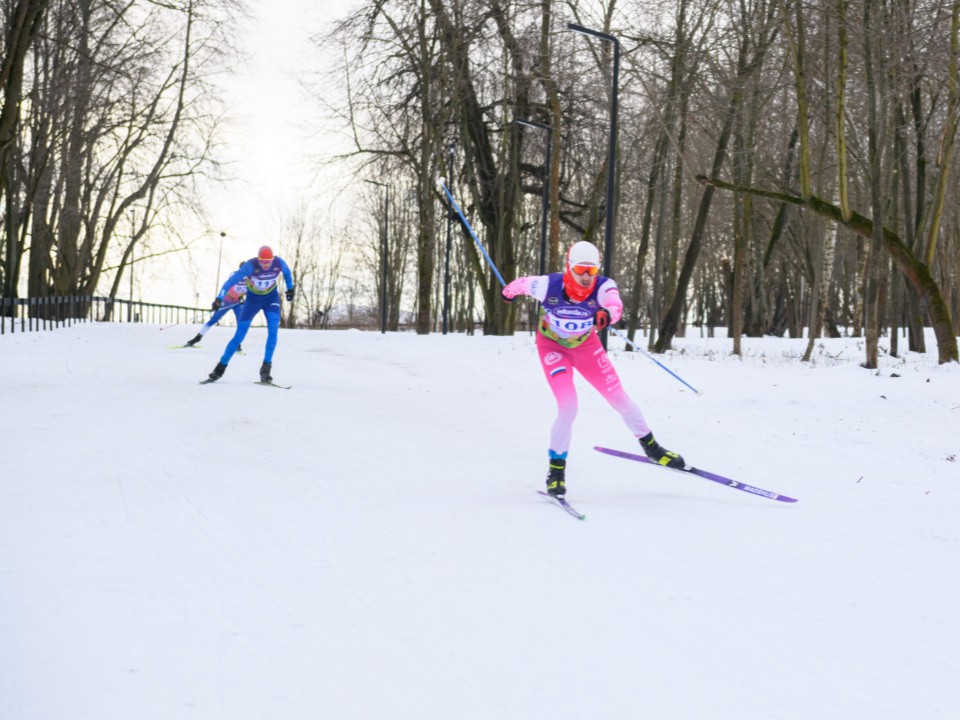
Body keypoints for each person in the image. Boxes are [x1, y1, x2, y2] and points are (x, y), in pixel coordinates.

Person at [502, 240, 685, 498]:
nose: (587, 277)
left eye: (592, 270)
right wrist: (507, 294)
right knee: (569, 406)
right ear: (569, 267)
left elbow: (614, 303)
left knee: (619, 397)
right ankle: (556, 472)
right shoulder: (548, 285)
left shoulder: (603, 286)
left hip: (587, 347)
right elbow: (518, 284)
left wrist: (608, 315)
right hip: (553, 348)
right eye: (581, 270)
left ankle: (653, 448)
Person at [205, 245, 294, 384]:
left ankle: (266, 370)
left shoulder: (279, 262)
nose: (266, 264)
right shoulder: (250, 266)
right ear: (258, 259)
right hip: (252, 300)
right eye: (263, 261)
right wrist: (219, 298)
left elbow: (287, 274)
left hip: (271, 298)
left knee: (273, 330)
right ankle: (220, 368)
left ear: (273, 259)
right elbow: (231, 281)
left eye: (268, 261)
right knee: (240, 334)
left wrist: (290, 289)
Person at [184, 263, 247, 350]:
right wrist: (218, 300)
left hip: (237, 303)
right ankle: (197, 338)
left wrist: (242, 297)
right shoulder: (234, 274)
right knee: (214, 319)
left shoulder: (251, 278)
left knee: (241, 323)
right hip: (227, 300)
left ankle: (237, 343)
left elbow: (250, 291)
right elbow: (229, 286)